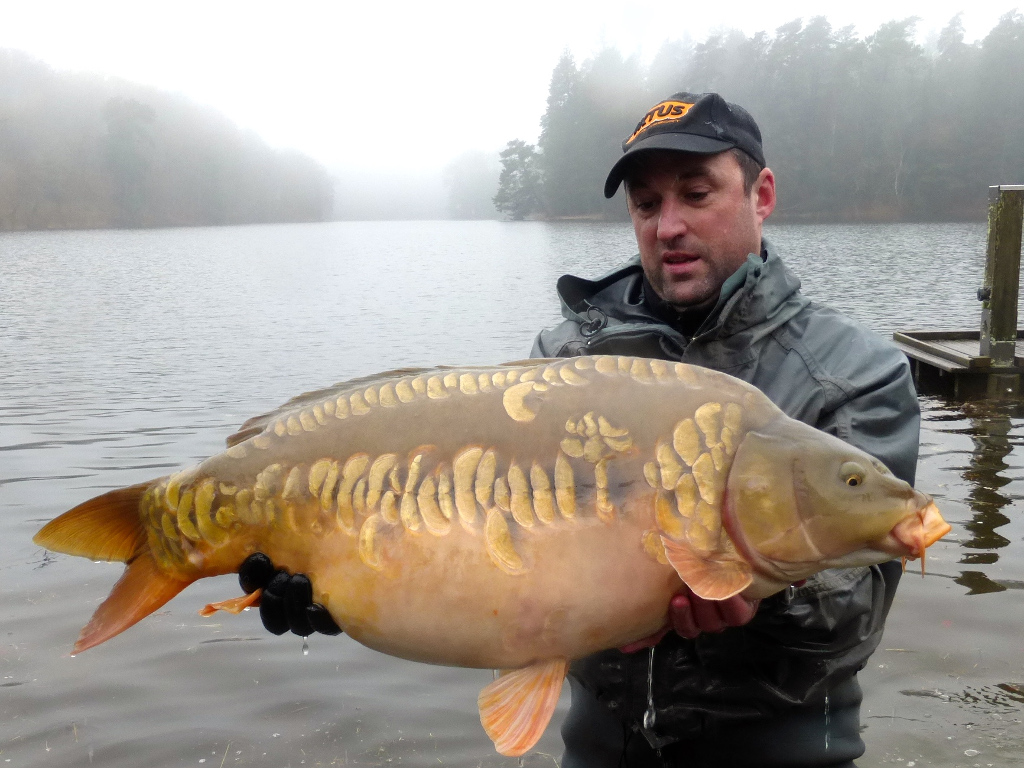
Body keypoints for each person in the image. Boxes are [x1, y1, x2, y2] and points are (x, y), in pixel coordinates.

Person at [240, 92, 920, 767]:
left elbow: (855, 620)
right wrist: (346, 582)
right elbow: (492, 558)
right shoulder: (566, 360)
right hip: (603, 745)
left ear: (761, 194)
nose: (668, 226)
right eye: (647, 204)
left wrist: (760, 596)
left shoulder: (854, 371)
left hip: (782, 750)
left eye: (696, 193)